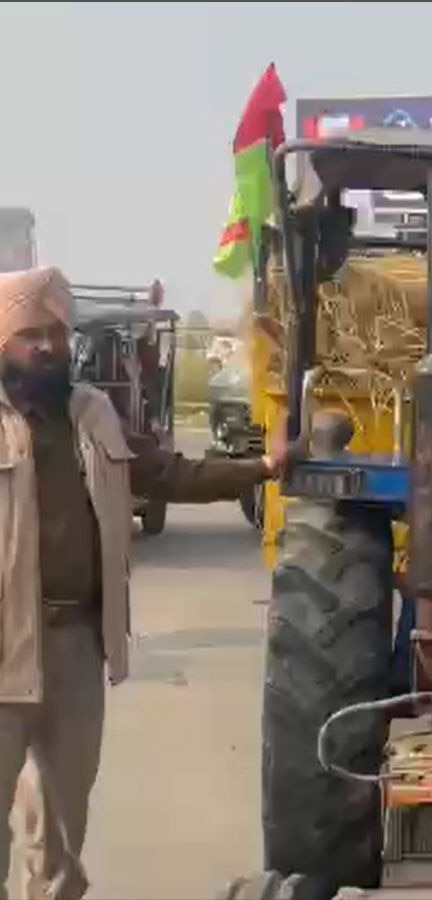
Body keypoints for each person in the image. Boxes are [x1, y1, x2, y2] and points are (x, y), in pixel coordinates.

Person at [0, 267, 291, 900]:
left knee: (60, 829)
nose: (46, 346)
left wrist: (262, 468)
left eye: (55, 330)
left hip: (74, 644)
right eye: (30, 334)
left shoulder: (91, 414)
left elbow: (167, 473)